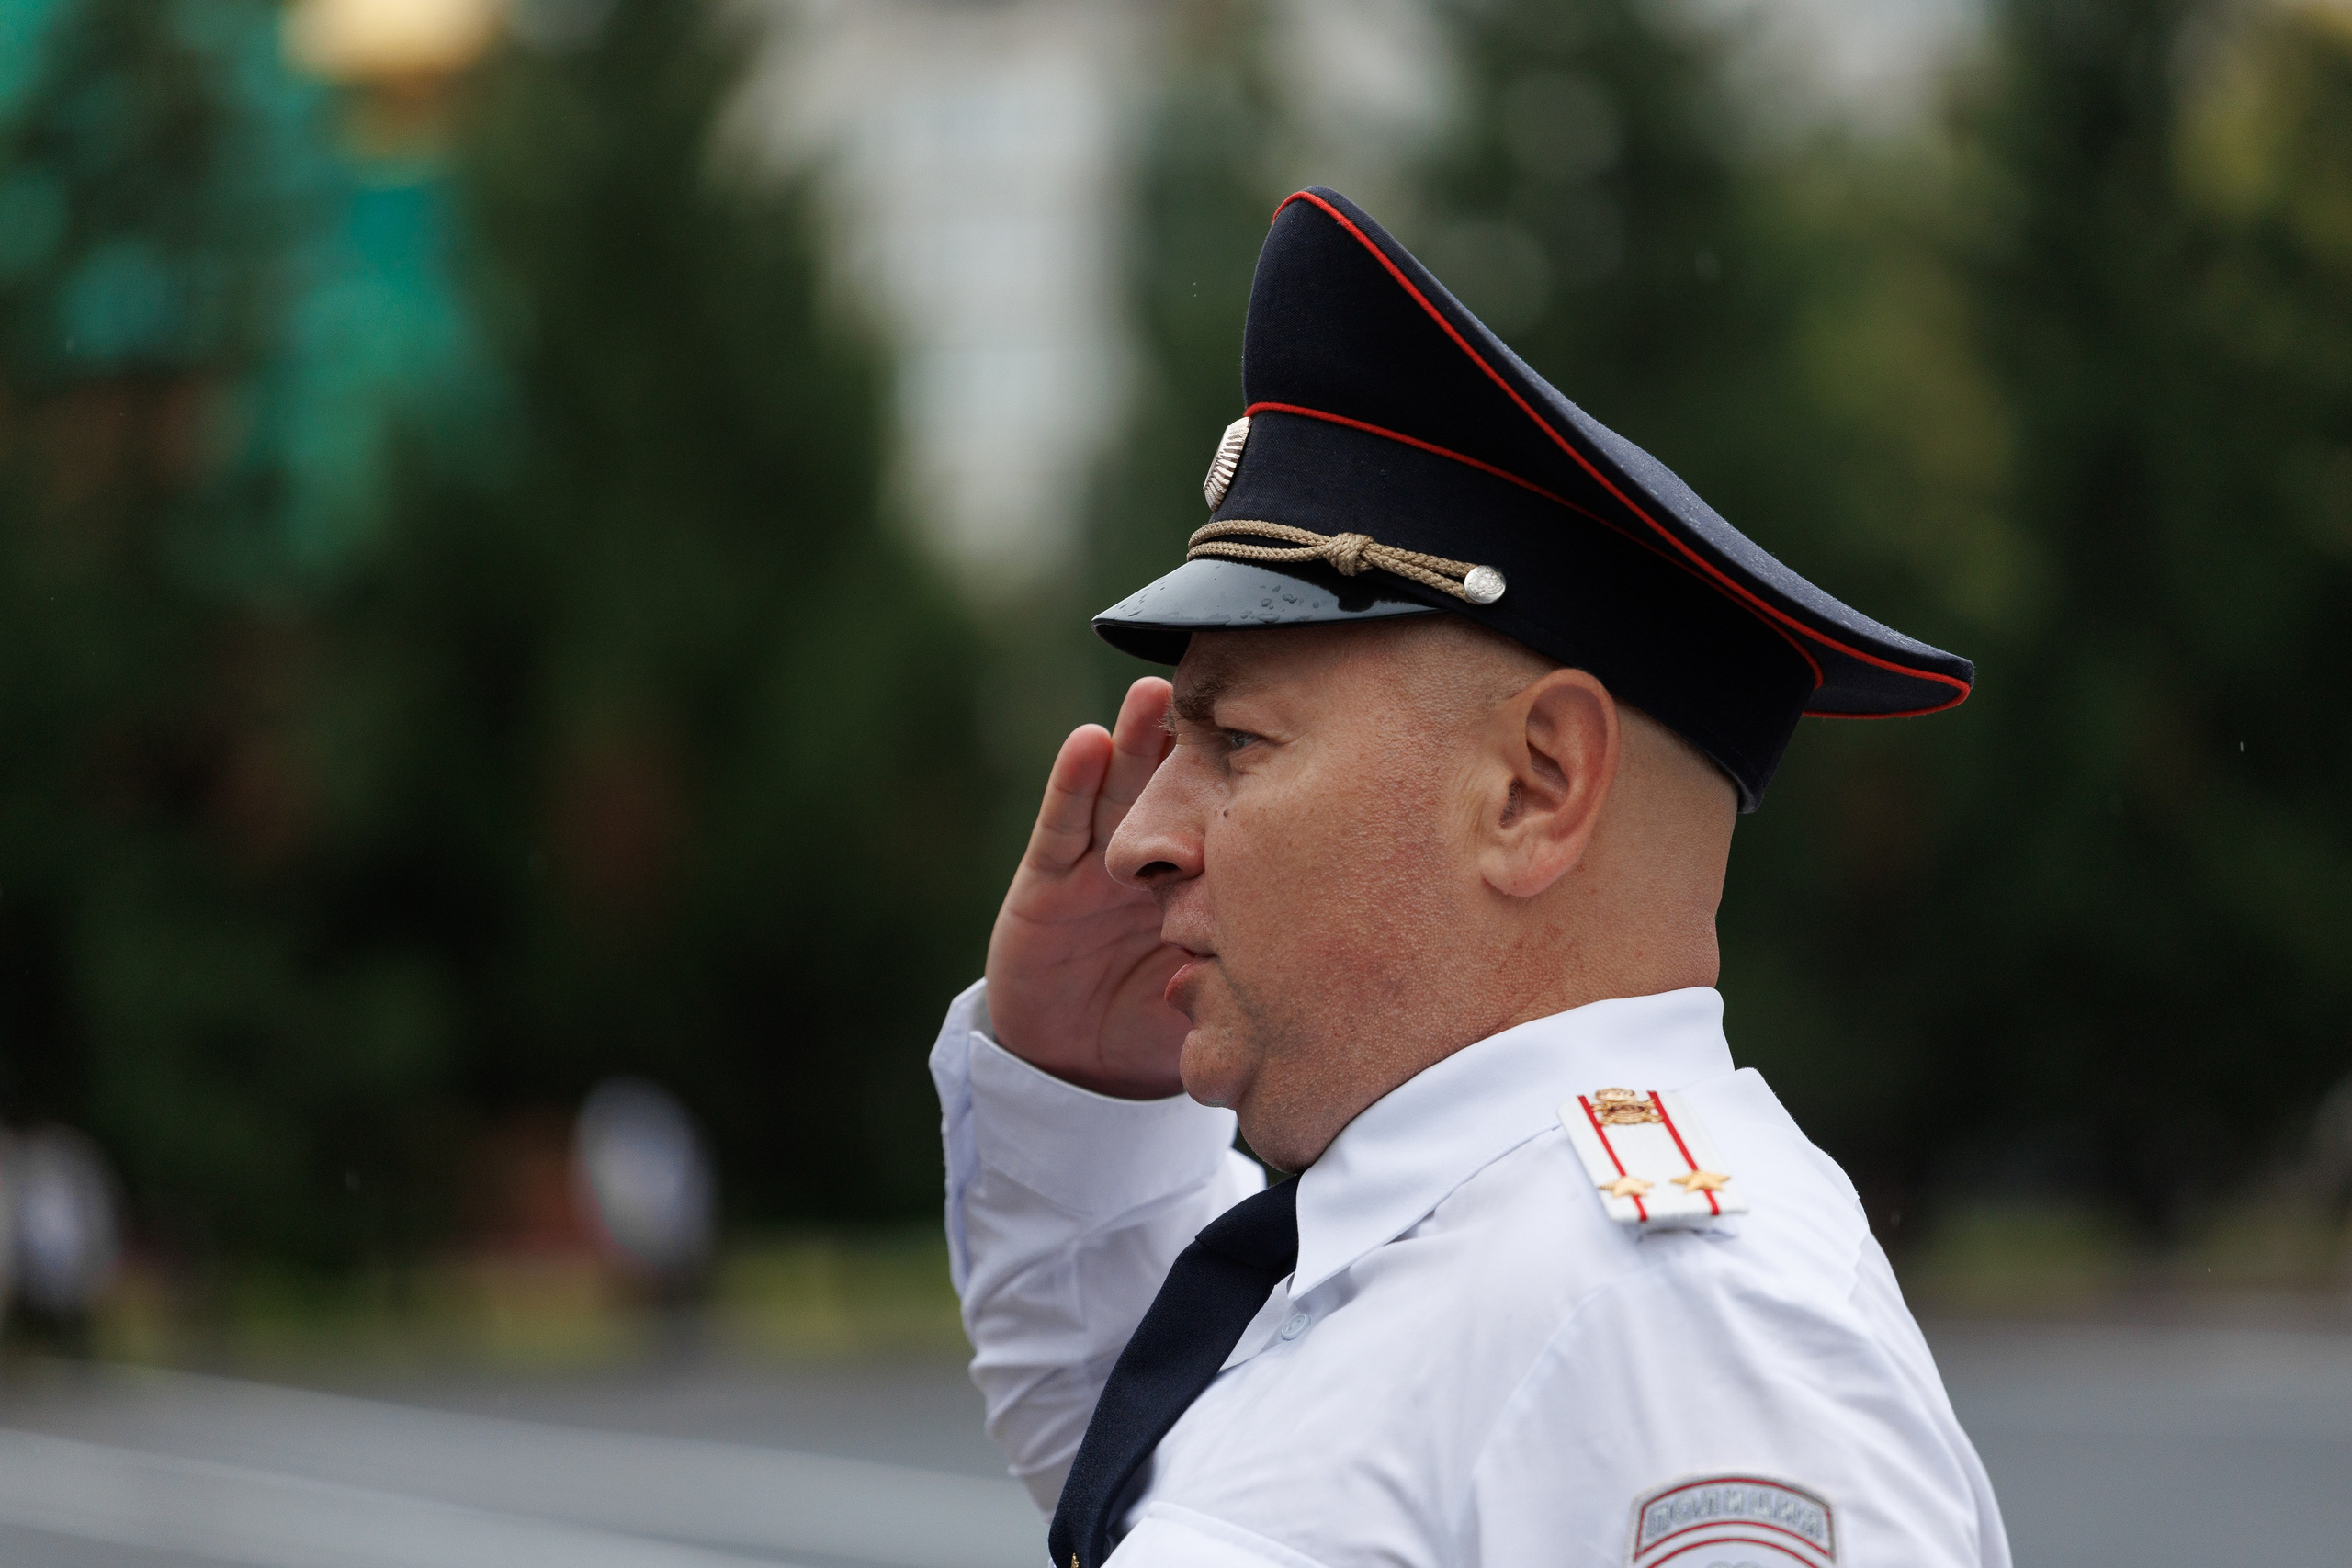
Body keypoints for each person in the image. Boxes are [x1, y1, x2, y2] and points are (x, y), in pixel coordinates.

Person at [929, 187, 2009, 1568]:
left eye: (1237, 739)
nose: (1142, 832)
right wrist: (1084, 1098)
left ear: (1534, 788)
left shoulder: (1674, 1330)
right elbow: (1162, 1476)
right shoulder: (1462, 1255)